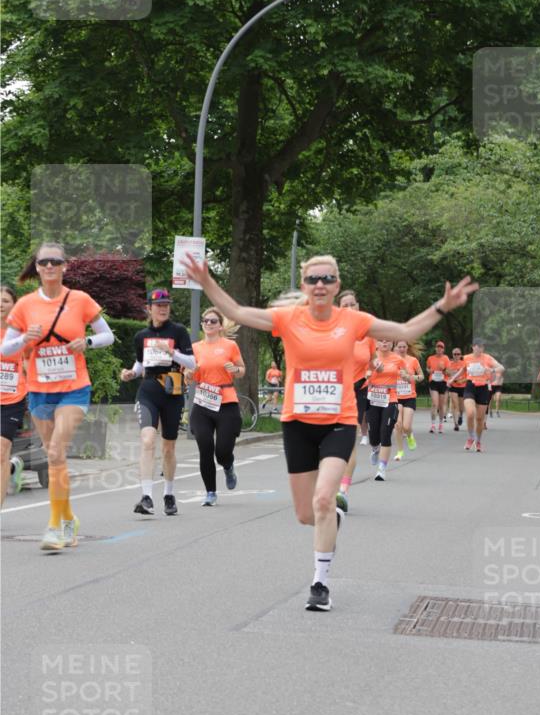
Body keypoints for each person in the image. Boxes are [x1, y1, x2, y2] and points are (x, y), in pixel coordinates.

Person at [181, 250, 477, 612]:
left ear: (337, 285)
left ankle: (319, 583)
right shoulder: (288, 318)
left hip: (339, 422)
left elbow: (405, 331)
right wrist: (207, 281)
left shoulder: (353, 321)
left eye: (327, 279)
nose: (320, 284)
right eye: (313, 279)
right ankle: (332, 520)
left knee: (324, 498)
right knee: (306, 514)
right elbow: (239, 312)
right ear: (304, 285)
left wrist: (443, 306)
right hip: (297, 423)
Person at [1, 244, 114, 550]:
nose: (49, 266)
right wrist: (24, 339)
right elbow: (6, 348)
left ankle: (55, 527)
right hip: (39, 390)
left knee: (54, 452)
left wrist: (87, 342)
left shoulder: (80, 299)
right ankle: (68, 520)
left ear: (65, 266)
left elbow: (108, 335)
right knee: (55, 456)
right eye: (44, 262)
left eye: (55, 261)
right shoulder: (25, 305)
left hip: (74, 387)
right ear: (37, 267)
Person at [120, 288, 195, 517]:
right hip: (149, 391)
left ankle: (168, 494)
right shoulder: (141, 336)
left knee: (168, 447)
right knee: (147, 440)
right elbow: (141, 363)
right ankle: (146, 497)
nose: (163, 309)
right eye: (159, 305)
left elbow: (192, 362)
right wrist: (131, 373)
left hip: (172, 392)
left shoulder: (178, 331)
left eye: (166, 305)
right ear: (149, 308)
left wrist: (172, 352)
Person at [185, 307, 245, 506]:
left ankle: (228, 466)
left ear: (220, 326)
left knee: (222, 452)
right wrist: (188, 374)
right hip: (203, 403)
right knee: (205, 447)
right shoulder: (195, 348)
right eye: (205, 321)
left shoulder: (230, 346)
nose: (208, 324)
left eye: (213, 321)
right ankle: (210, 492)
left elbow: (242, 370)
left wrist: (235, 369)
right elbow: (188, 375)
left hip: (226, 402)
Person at [336, 289, 376, 511]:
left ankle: (342, 492)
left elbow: (372, 360)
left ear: (358, 307)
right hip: (332, 390)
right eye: (345, 305)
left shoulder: (368, 335)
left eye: (353, 304)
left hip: (357, 391)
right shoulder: (331, 331)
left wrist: (374, 368)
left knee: (348, 442)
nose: (350, 309)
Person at [449, 338, 504, 452]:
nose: (480, 348)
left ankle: (478, 441)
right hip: (470, 387)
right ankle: (470, 437)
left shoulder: (487, 358)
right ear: (473, 347)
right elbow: (462, 370)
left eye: (482, 346)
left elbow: (501, 367)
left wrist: (492, 370)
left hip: (483, 388)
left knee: (479, 419)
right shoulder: (467, 358)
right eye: (478, 346)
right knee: (470, 413)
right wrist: (452, 379)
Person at [1, 285, 29, 505]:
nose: (0, 305)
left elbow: (30, 363)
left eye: (5, 301)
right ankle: (12, 467)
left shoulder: (22, 334)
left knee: (1, 450)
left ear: (14, 305)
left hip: (12, 399)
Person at [365, 338, 408, 480]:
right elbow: (360, 375)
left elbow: (407, 376)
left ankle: (381, 469)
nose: (384, 343)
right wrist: (367, 375)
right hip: (372, 399)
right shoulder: (370, 358)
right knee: (374, 436)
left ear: (392, 344)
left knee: (385, 433)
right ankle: (375, 448)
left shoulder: (398, 359)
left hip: (390, 399)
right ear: (376, 343)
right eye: (381, 340)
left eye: (387, 340)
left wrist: (405, 376)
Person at [393, 339, 424, 460]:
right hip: (395, 397)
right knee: (398, 425)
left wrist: (410, 377)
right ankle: (400, 451)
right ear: (396, 347)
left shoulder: (413, 360)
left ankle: (410, 435)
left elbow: (421, 376)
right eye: (399, 347)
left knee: (406, 427)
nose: (401, 349)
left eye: (404, 347)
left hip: (409, 396)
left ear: (407, 348)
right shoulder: (392, 360)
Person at [426, 341, 449, 433]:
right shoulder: (430, 358)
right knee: (435, 403)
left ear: (443, 349)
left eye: (441, 347)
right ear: (435, 348)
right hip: (433, 382)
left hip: (442, 382)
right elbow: (427, 368)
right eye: (438, 347)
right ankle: (433, 425)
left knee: (441, 405)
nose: (439, 349)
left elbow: (449, 372)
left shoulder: (446, 358)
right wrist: (429, 371)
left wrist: (443, 369)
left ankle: (440, 424)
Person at [444, 347, 465, 431]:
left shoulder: (464, 363)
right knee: (455, 405)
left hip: (462, 386)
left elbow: (468, 376)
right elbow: (446, 374)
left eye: (458, 354)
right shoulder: (449, 364)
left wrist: (461, 381)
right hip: (453, 386)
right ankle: (456, 424)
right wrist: (449, 377)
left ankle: (460, 416)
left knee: (461, 407)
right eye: (454, 354)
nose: (456, 356)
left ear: (460, 355)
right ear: (452, 355)